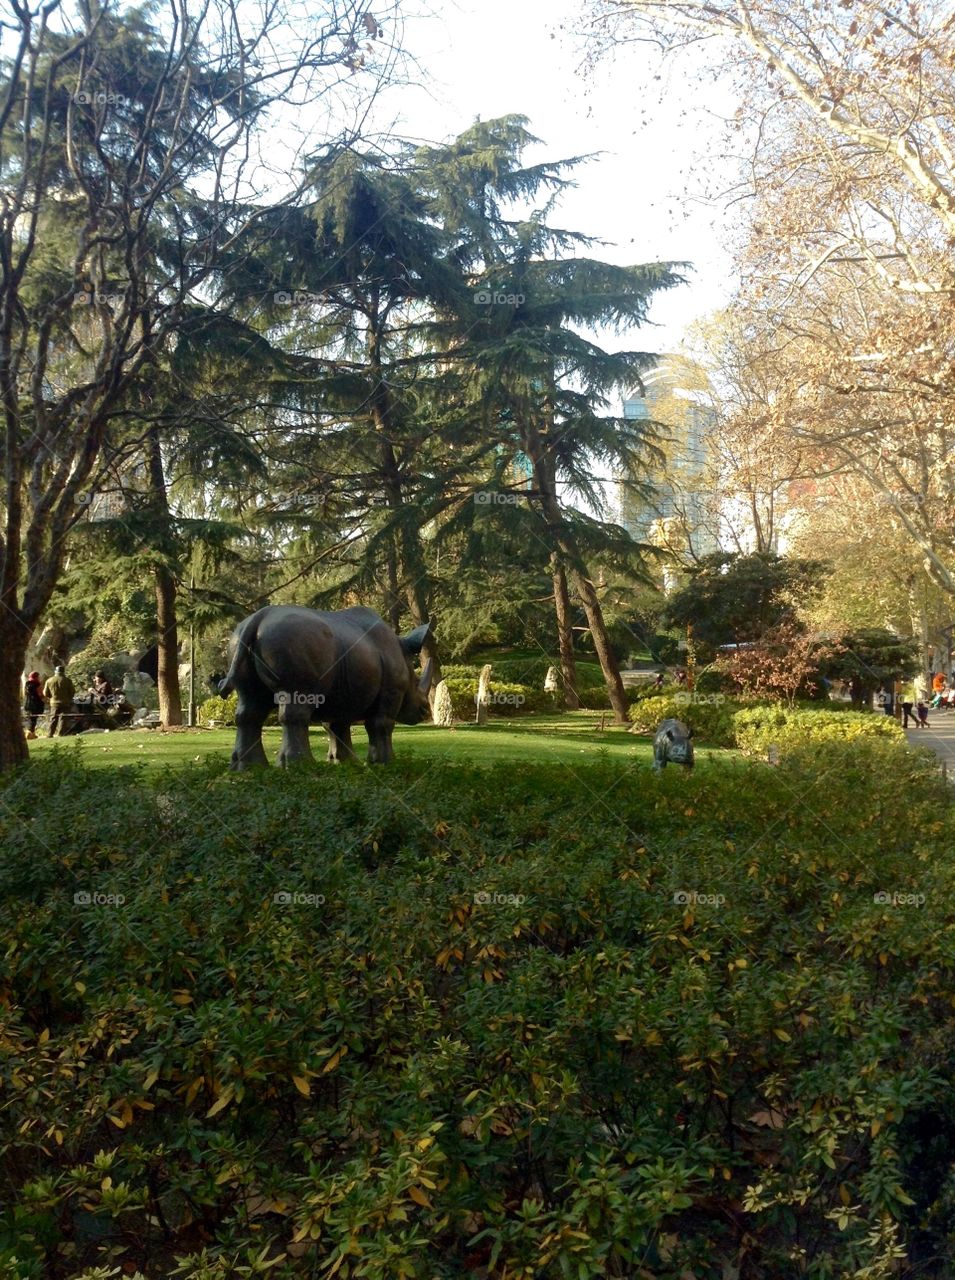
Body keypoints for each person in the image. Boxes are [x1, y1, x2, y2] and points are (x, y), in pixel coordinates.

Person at [43, 664, 76, 738]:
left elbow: (45, 693)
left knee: (53, 718)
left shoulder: (49, 680)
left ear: (55, 671)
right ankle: (61, 734)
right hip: (65, 702)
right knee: (63, 718)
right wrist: (69, 698)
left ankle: (50, 734)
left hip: (54, 703)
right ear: (63, 672)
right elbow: (72, 692)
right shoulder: (67, 680)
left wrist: (51, 698)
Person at [22, 671, 44, 739]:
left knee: (30, 718)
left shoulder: (26, 684)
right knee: (33, 719)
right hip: (35, 704)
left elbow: (24, 694)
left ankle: (32, 734)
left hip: (27, 703)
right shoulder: (37, 684)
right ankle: (29, 734)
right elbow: (40, 694)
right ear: (36, 677)